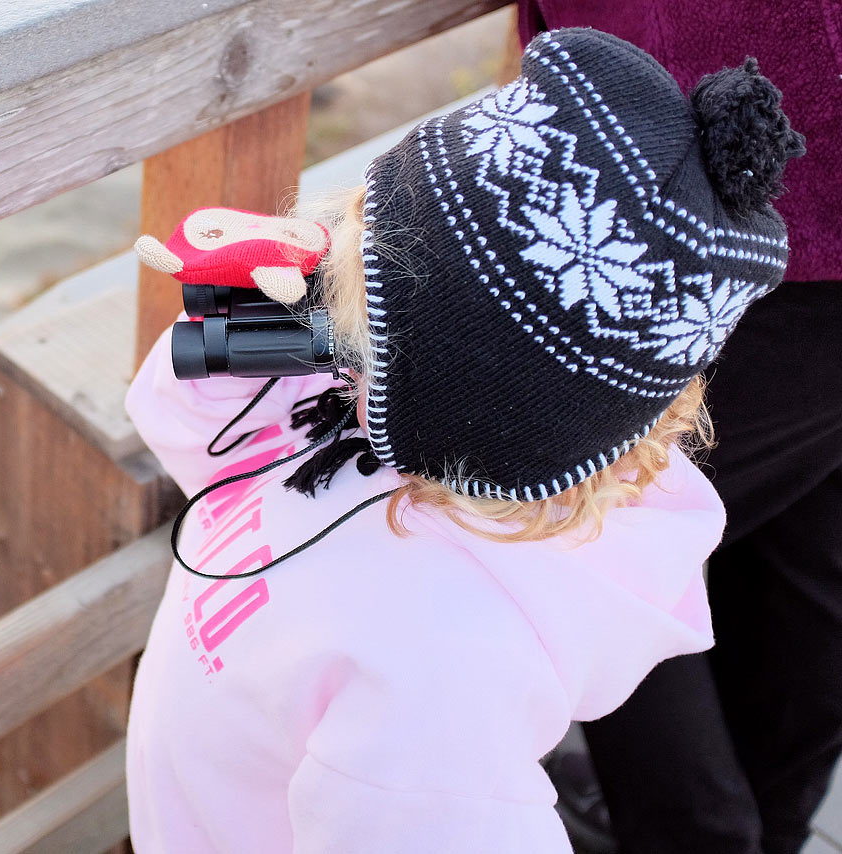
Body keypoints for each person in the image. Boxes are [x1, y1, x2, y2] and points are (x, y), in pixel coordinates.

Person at [122, 28, 802, 853]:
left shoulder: (442, 683)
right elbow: (194, 438)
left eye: (359, 262)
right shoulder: (335, 411)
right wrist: (238, 330)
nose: (329, 265)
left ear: (456, 367)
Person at [512, 6, 840, 854]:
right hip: (760, 161)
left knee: (593, 519)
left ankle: (703, 834)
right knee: (806, 541)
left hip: (713, 175)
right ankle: (757, 829)